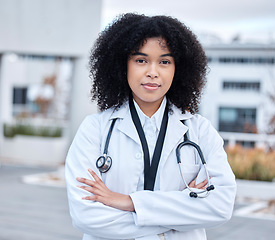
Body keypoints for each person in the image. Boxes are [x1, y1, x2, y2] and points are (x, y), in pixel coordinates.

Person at [65, 13, 236, 240]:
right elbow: (86, 216)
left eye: (164, 61)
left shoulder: (200, 131)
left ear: (178, 68)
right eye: (141, 60)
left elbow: (220, 206)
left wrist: (128, 202)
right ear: (122, 65)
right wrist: (181, 212)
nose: (153, 72)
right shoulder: (95, 129)